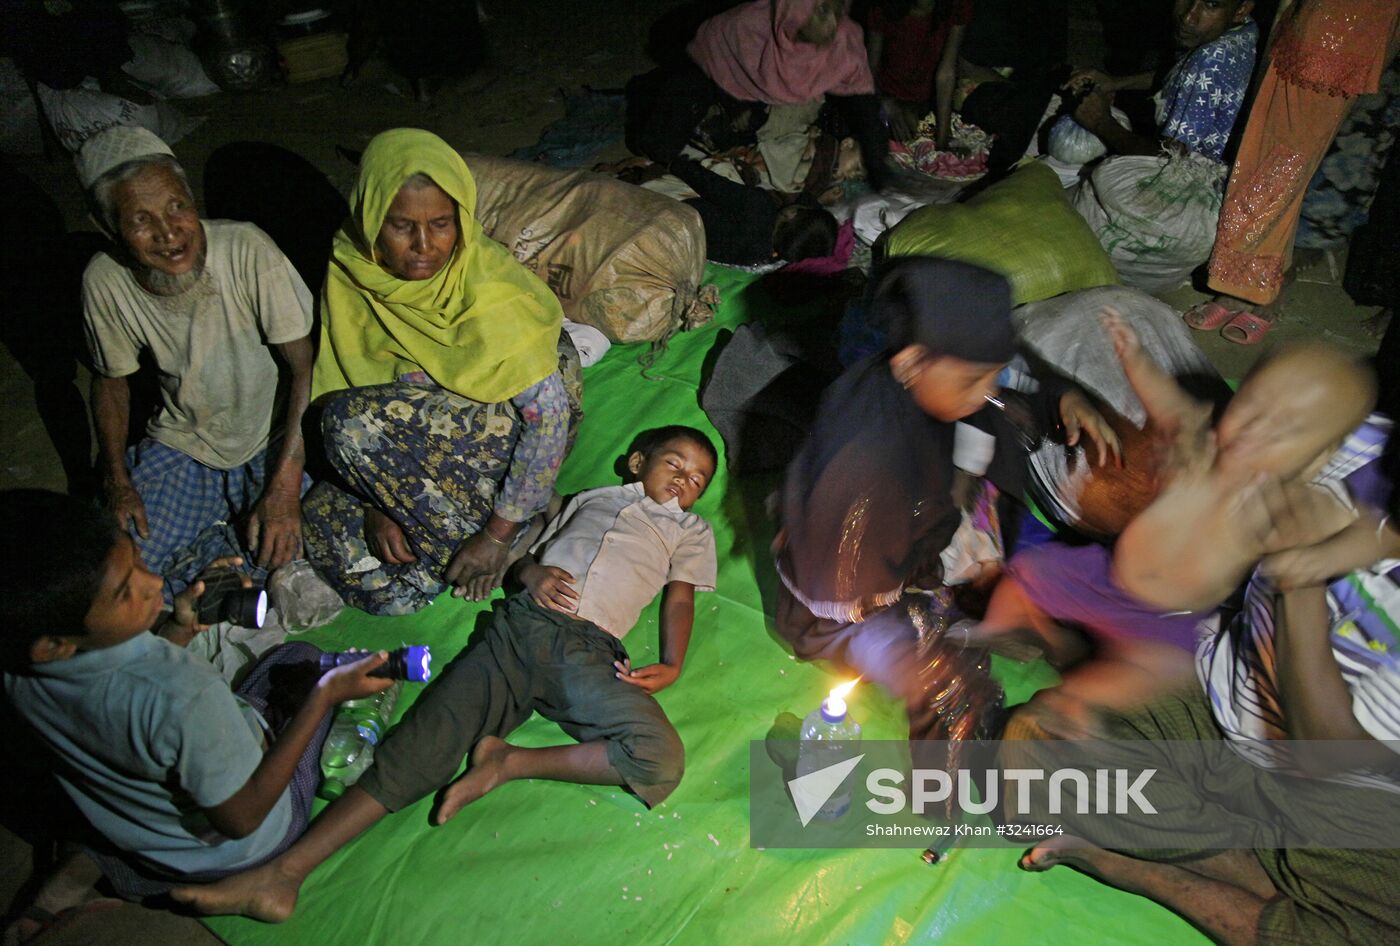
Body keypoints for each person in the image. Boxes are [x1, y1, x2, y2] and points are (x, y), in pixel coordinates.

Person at [170, 426, 719, 922]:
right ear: (636, 461)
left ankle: (510, 762)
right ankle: (284, 874)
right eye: (674, 463)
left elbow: (680, 598)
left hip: (589, 653)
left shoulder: (690, 530)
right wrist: (528, 572)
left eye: (696, 479)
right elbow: (522, 554)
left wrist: (673, 663)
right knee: (422, 742)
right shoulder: (583, 502)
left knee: (659, 757)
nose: (682, 481)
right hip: (519, 629)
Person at [1009, 412, 1400, 946]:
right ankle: (1263, 885)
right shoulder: (1344, 431)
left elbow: (1325, 755)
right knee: (1032, 748)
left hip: (1362, 803)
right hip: (1225, 699)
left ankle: (1154, 865)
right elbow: (1166, 563)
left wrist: (1301, 578)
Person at [0, 490, 393, 931]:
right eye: (125, 591)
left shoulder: (18, 677)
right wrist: (323, 696)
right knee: (297, 658)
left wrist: (179, 629)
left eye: (139, 562)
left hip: (149, 838)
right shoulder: (182, 693)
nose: (153, 585)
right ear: (54, 645)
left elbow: (127, 714)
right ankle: (252, 882)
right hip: (246, 841)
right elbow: (243, 817)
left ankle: (89, 870)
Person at [969, 311, 1378, 723]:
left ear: (1318, 459)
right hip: (1104, 575)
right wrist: (1135, 358)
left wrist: (1334, 552)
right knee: (1026, 572)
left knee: (1140, 678)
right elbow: (1165, 400)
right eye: (1253, 404)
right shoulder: (1195, 444)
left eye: (1286, 428)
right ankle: (1009, 631)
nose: (1257, 427)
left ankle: (1068, 698)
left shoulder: (1281, 505)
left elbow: (1365, 526)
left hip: (1165, 626)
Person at [773, 257, 1118, 742]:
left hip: (931, 528)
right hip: (855, 606)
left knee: (1062, 560)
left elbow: (1015, 370)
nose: (988, 393)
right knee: (946, 679)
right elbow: (848, 586)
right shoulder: (862, 467)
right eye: (972, 382)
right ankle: (961, 772)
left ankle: (1043, 626)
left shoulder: (953, 373)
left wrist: (1063, 395)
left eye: (991, 375)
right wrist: (944, 586)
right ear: (911, 364)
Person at [301, 128, 582, 616]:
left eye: (441, 223)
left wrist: (496, 535)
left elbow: (549, 416)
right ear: (370, 220)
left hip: (513, 439)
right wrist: (376, 503)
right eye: (400, 226)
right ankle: (463, 546)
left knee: (346, 423)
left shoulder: (486, 287)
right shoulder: (353, 267)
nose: (424, 246)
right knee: (329, 531)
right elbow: (344, 376)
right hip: (405, 437)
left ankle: (515, 553)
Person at [78, 126, 315, 601]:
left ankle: (207, 568)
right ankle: (207, 566)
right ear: (111, 229)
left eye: (176, 207)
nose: (168, 233)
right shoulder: (105, 280)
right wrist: (118, 480)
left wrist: (284, 488)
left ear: (192, 202)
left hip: (272, 438)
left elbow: (305, 367)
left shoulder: (246, 248)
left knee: (299, 552)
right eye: (141, 220)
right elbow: (112, 383)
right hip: (186, 443)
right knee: (115, 569)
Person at [1192, 0, 1400, 344]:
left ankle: (1266, 284)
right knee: (1268, 157)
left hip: (1355, 31)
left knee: (1306, 166)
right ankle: (1243, 281)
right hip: (1314, 23)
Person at [627, 0, 896, 192]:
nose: (829, 24)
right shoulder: (749, 24)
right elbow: (704, 53)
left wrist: (878, 166)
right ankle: (648, 90)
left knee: (737, 148)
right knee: (658, 144)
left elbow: (865, 103)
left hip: (761, 103)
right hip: (709, 78)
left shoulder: (845, 42)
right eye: (821, 10)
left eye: (834, 10)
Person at [1064, 0, 1258, 162]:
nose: (1188, 17)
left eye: (1211, 4)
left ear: (1241, 9)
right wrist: (1116, 82)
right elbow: (1186, 78)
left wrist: (1101, 123)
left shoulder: (1209, 61)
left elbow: (1171, 163)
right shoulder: (1245, 28)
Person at [864, 0, 972, 146]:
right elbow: (868, 75)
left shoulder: (956, 6)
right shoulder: (883, 8)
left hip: (930, 102)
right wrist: (885, 104)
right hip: (889, 98)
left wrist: (943, 140)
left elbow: (946, 72)